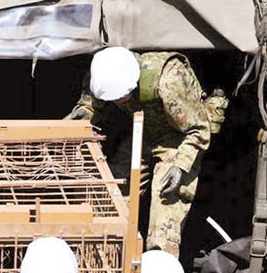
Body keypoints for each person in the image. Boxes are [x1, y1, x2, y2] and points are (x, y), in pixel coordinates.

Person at [68, 47, 225, 255]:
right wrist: (80, 118)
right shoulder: (103, 71)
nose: (115, 103)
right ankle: (108, 263)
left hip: (179, 137)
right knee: (111, 198)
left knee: (165, 213)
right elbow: (90, 104)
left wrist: (181, 165)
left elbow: (199, 128)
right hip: (142, 132)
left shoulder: (169, 81)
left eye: (120, 98)